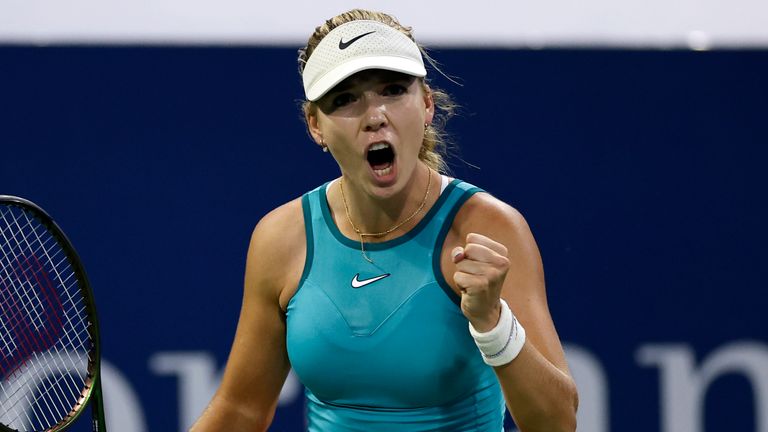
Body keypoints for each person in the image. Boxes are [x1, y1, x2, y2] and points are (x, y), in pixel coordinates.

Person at [191, 9, 578, 432]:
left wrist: (492, 322)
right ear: (315, 126)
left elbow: (556, 423)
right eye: (345, 99)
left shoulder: (489, 229)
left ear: (426, 104)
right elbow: (242, 410)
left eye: (393, 90)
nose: (375, 115)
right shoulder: (281, 239)